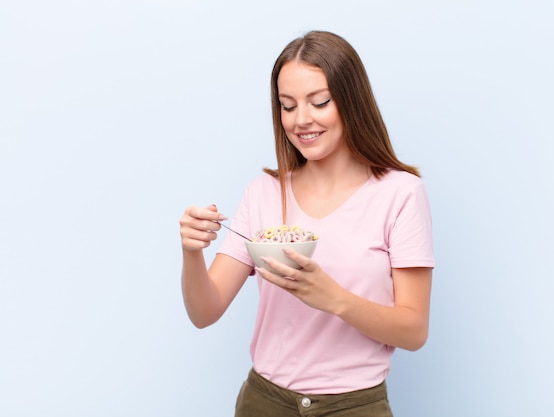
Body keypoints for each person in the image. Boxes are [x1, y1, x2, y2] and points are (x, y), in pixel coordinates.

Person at [179, 30, 434, 417]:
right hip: (264, 402)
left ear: (351, 100)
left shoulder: (401, 194)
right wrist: (192, 252)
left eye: (320, 102)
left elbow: (414, 332)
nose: (301, 120)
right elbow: (204, 312)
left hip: (355, 406)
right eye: (287, 105)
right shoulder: (263, 193)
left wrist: (332, 298)